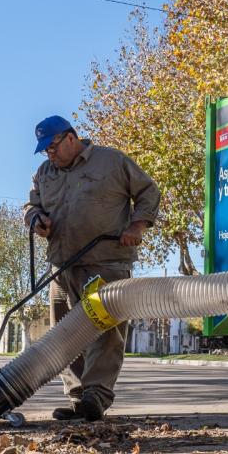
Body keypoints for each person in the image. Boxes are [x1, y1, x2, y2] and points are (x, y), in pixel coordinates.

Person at [23, 115, 160, 421]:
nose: (50, 154)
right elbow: (32, 204)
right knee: (65, 335)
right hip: (62, 266)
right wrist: (35, 219)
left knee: (104, 331)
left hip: (105, 264)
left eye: (53, 146)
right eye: (45, 150)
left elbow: (148, 191)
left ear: (71, 138)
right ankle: (77, 398)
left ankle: (95, 396)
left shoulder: (111, 162)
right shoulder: (44, 173)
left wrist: (137, 225)